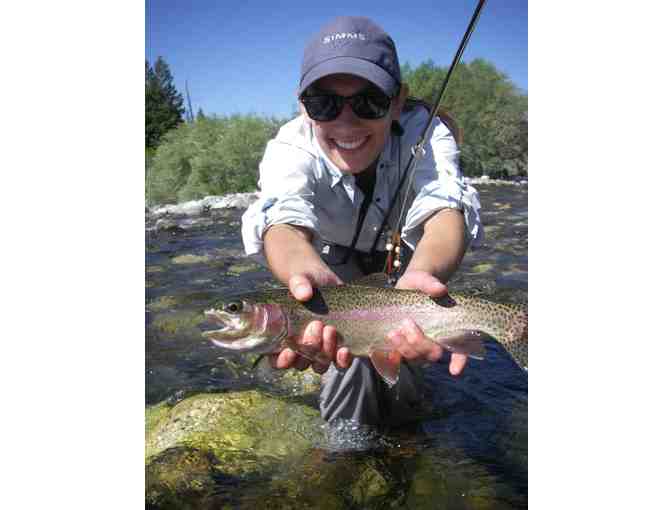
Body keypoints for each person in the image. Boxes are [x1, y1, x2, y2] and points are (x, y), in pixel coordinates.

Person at [241, 16, 482, 426]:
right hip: (327, 267)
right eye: (325, 104)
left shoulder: (427, 132)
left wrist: (423, 275)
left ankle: (408, 433)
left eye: (369, 101)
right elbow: (281, 221)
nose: (346, 122)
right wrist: (304, 275)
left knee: (405, 359)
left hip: (412, 262)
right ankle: (347, 453)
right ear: (303, 106)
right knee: (344, 356)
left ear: (398, 101)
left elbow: (445, 212)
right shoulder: (290, 145)